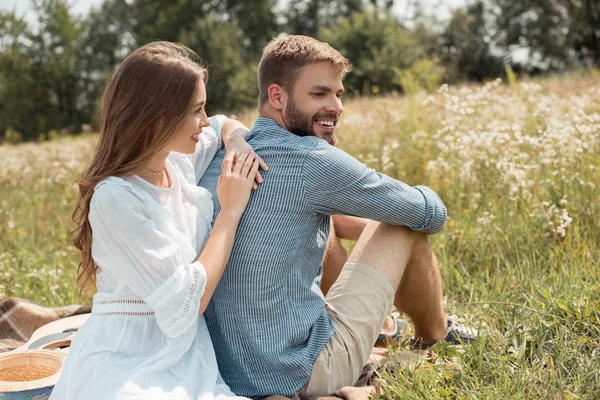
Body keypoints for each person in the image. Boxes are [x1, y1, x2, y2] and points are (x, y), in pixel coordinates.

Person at [197, 35, 480, 398]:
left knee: (329, 216)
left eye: (338, 94)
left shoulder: (222, 154)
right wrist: (399, 200)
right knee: (401, 224)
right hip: (298, 372)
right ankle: (435, 334)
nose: (336, 107)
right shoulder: (311, 158)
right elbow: (429, 214)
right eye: (319, 94)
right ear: (277, 96)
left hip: (230, 373)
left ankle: (387, 329)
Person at [50, 41, 266, 400]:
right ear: (157, 116)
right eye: (195, 110)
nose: (202, 120)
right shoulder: (116, 198)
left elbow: (223, 123)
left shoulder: (175, 162)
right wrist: (230, 212)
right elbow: (188, 304)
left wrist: (239, 141)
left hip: (185, 352)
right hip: (128, 353)